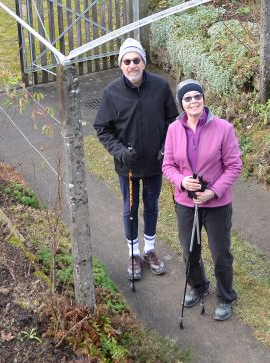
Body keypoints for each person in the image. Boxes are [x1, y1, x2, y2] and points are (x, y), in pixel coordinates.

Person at [94, 38, 179, 281]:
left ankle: (149, 250)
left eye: (136, 60)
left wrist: (166, 148)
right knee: (130, 208)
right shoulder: (111, 92)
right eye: (127, 61)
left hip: (155, 163)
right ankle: (133, 253)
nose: (132, 65)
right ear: (121, 65)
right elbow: (102, 128)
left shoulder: (161, 87)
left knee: (151, 205)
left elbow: (172, 122)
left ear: (143, 62)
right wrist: (120, 152)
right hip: (128, 166)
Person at [162, 79, 242, 321]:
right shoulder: (174, 129)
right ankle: (199, 286)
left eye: (197, 96)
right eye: (188, 98)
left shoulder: (223, 128)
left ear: (204, 99)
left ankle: (226, 296)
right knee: (189, 252)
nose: (193, 101)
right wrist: (182, 181)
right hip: (186, 203)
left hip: (216, 205)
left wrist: (213, 191)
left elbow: (234, 166)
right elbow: (168, 164)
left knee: (220, 254)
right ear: (181, 103)